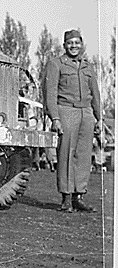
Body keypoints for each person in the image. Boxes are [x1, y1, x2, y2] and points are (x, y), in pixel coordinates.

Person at [44, 29, 101, 213]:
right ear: (64, 45)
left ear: (81, 44)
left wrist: (99, 118)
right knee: (66, 154)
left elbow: (96, 94)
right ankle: (66, 198)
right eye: (70, 43)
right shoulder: (56, 64)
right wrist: (55, 118)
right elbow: (50, 93)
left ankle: (79, 196)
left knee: (84, 156)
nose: (73, 46)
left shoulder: (88, 66)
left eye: (77, 42)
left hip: (86, 112)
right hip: (66, 110)